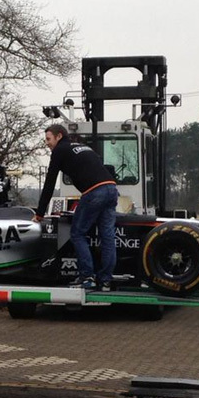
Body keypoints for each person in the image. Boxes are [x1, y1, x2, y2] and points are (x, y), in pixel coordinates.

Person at [33, 124, 118, 291]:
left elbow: (50, 182)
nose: (47, 143)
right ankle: (106, 281)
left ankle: (87, 277)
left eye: (48, 139)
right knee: (107, 236)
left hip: (94, 192)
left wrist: (40, 212)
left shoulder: (60, 150)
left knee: (78, 233)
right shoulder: (83, 147)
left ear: (59, 137)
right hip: (111, 188)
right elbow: (100, 166)